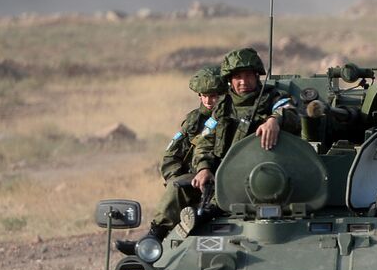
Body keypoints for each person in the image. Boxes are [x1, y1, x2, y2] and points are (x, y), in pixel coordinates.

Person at [116, 66, 226, 254]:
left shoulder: (233, 116)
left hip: (227, 179)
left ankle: (201, 215)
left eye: (214, 96)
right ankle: (153, 238)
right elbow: (171, 155)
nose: (209, 101)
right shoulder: (194, 121)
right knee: (176, 187)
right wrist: (178, 179)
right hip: (197, 179)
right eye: (204, 95)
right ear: (199, 95)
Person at [190, 47, 300, 192]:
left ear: (256, 76)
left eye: (248, 75)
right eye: (238, 77)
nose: (243, 82)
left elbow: (288, 109)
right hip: (225, 175)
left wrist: (274, 120)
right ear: (230, 80)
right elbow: (205, 141)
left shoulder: (272, 97)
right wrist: (204, 168)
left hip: (267, 175)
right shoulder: (222, 107)